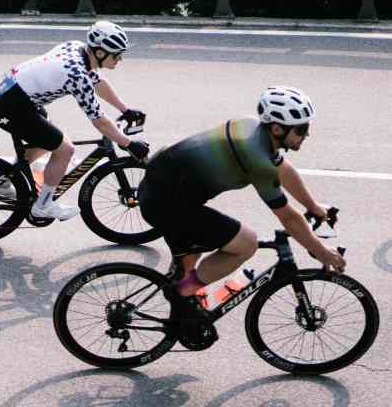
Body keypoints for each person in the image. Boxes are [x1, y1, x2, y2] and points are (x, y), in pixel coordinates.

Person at [138, 85, 346, 312]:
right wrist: (321, 251)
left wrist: (312, 206)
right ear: (277, 128)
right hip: (167, 204)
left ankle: (182, 302)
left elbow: (284, 170)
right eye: (301, 129)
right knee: (246, 243)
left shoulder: (253, 128)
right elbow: (288, 217)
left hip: (164, 190)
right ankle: (181, 293)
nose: (306, 135)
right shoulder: (256, 160)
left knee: (190, 261)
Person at [0, 21, 149, 220]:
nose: (120, 59)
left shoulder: (77, 48)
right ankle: (43, 206)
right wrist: (129, 144)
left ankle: (3, 182)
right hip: (10, 106)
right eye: (116, 55)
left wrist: (125, 110)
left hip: (13, 95)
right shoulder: (77, 75)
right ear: (100, 53)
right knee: (65, 149)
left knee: (47, 141)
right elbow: (99, 121)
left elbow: (97, 82)